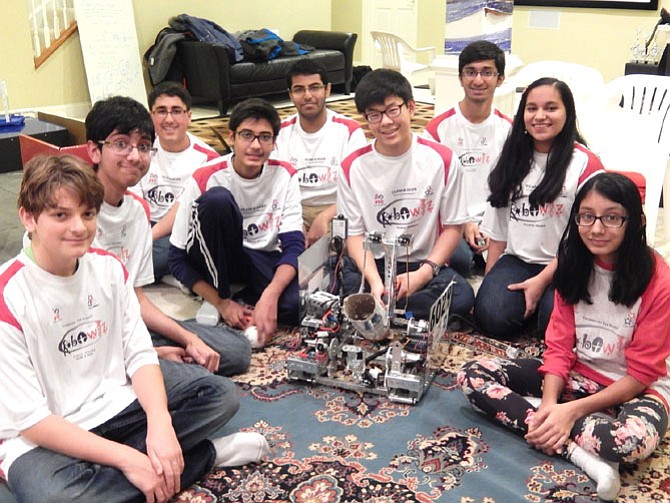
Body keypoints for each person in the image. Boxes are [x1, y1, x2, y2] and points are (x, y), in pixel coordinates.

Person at [0, 155, 268, 503]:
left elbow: (140, 353)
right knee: (53, 496)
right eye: (60, 215)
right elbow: (32, 419)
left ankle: (126, 466)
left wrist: (160, 425)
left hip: (115, 403)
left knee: (220, 396)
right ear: (28, 217)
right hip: (46, 434)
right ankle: (205, 457)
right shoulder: (10, 294)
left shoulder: (109, 269)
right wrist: (127, 458)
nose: (79, 227)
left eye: (88, 214)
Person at [459, 172, 670, 501]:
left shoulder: (659, 280)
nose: (597, 228)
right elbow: (558, 347)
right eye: (587, 216)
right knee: (471, 374)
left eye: (612, 217)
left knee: (628, 443)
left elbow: (642, 373)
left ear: (636, 221)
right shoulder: (573, 263)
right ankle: (581, 454)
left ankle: (547, 420)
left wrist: (569, 412)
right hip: (578, 376)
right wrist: (548, 407)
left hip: (634, 390)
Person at [85, 96, 251, 376]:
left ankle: (152, 364)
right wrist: (148, 352)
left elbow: (134, 300)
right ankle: (143, 367)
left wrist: (189, 339)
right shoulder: (76, 212)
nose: (135, 156)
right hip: (85, 338)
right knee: (216, 395)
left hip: (127, 325)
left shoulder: (136, 211)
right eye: (121, 144)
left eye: (143, 147)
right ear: (94, 150)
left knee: (235, 352)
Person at [336, 68, 475, 321]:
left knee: (462, 297)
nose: (386, 122)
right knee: (338, 286)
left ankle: (381, 311)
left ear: (411, 107)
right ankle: (394, 307)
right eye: (374, 115)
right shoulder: (351, 167)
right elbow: (354, 236)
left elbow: (454, 227)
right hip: (373, 263)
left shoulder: (442, 160)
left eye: (392, 110)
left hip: (420, 261)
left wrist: (423, 274)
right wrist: (376, 282)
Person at [473, 77, 604, 339]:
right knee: (490, 317)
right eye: (531, 108)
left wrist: (542, 280)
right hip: (518, 260)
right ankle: (529, 304)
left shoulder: (585, 164)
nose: (540, 116)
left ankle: (540, 303)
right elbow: (498, 233)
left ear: (568, 113)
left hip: (568, 262)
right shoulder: (510, 158)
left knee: (553, 328)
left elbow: (587, 237)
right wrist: (489, 284)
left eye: (551, 108)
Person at [169, 98, 304, 347]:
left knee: (296, 307)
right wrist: (221, 302)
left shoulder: (285, 174)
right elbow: (176, 258)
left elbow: (294, 245)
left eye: (265, 137)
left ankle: (245, 299)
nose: (255, 145)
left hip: (257, 256)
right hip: (215, 258)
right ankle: (218, 295)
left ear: (274, 143)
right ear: (231, 138)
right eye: (247, 135)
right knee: (217, 201)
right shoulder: (206, 176)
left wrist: (270, 296)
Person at [422, 41, 512, 277]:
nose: (478, 80)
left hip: (495, 222)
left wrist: (492, 227)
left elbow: (512, 188)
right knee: (459, 259)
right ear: (461, 78)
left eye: (487, 73)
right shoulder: (437, 130)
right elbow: (430, 191)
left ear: (500, 79)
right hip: (453, 222)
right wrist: (464, 225)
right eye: (470, 72)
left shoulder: (510, 131)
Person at [130, 82, 218, 281]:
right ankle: (169, 273)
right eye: (161, 111)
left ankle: (153, 270)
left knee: (148, 255)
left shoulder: (207, 158)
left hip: (183, 228)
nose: (169, 119)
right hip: (144, 223)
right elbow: (133, 198)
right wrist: (135, 234)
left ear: (189, 116)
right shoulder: (139, 149)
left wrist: (144, 241)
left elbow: (183, 211)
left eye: (176, 111)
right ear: (151, 116)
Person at [274, 59, 367, 247]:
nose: (307, 95)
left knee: (338, 252)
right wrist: (295, 223)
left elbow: (358, 189)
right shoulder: (279, 133)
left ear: (327, 89)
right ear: (290, 94)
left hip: (338, 208)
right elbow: (274, 189)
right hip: (292, 209)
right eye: (299, 89)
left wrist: (325, 217)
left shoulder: (349, 131)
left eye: (314, 87)